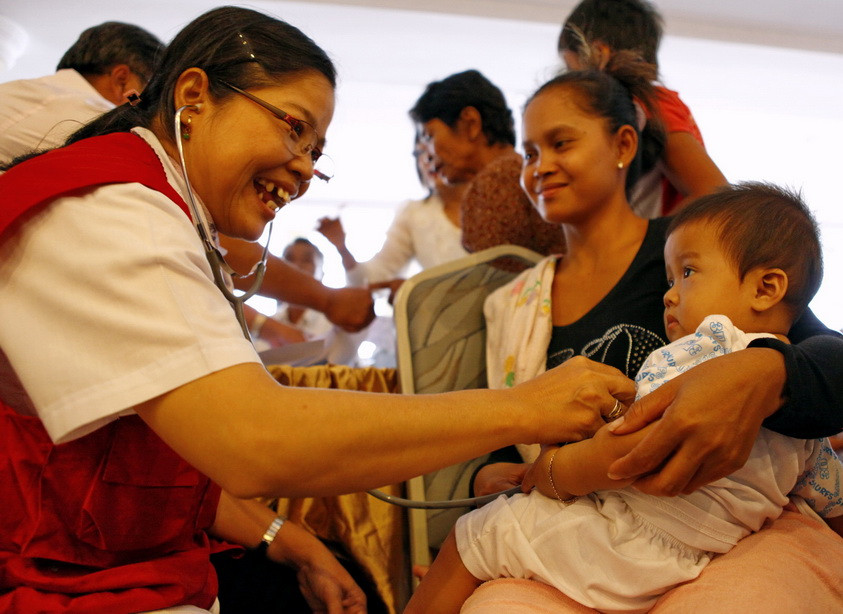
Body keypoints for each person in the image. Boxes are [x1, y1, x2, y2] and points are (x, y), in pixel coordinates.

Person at [0, 7, 637, 612]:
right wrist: (525, 408)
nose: (305, 171)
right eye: (295, 128)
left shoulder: (154, 204)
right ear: (193, 97)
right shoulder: (114, 209)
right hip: (59, 568)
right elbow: (254, 440)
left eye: (317, 151)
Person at [464, 62, 843, 609]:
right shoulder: (514, 302)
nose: (539, 167)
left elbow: (825, 357)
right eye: (528, 153)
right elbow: (504, 432)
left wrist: (768, 373)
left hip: (714, 527)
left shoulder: (699, 251)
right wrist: (488, 474)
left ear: (623, 144)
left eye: (560, 143)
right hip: (583, 522)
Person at [406, 182, 843, 613]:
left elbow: (628, 451)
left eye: (687, 274)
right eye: (669, 278)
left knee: (479, 534)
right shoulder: (804, 407)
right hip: (699, 555)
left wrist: (551, 472)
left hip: (624, 541)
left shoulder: (704, 348)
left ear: (766, 288)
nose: (669, 294)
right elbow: (829, 492)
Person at [559, 0, 728, 218]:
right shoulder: (647, 104)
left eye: (570, 69)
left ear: (599, 54)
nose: (570, 81)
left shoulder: (652, 103)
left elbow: (712, 191)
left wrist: (646, 241)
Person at [409, 69, 566, 258]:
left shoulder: (497, 181)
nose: (426, 154)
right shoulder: (516, 170)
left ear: (471, 123)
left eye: (429, 136)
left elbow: (497, 281)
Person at [317, 137, 469, 302]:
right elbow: (373, 281)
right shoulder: (414, 213)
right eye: (420, 152)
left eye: (435, 149)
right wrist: (342, 249)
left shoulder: (494, 199)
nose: (428, 159)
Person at [0, 21, 164, 164]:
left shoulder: (17, 89)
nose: (143, 103)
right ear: (122, 80)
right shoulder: (96, 122)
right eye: (147, 90)